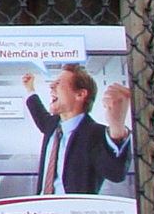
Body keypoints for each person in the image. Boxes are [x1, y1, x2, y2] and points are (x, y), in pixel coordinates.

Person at [21, 65, 134, 195]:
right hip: (43, 212)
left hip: (74, 211)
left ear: (80, 94)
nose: (51, 86)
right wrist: (30, 89)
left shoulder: (95, 134)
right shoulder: (52, 126)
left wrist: (117, 125)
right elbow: (38, 113)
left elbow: (115, 173)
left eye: (59, 83)